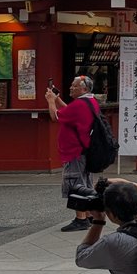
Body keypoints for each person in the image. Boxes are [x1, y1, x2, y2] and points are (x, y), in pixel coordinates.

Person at [47, 75, 103, 232]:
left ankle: (81, 219)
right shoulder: (89, 101)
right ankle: (89, 214)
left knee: (76, 183)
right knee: (85, 183)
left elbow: (55, 116)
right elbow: (68, 112)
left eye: (74, 86)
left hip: (75, 152)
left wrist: (51, 100)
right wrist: (57, 100)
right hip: (84, 150)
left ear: (84, 89)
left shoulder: (80, 105)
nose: (71, 88)